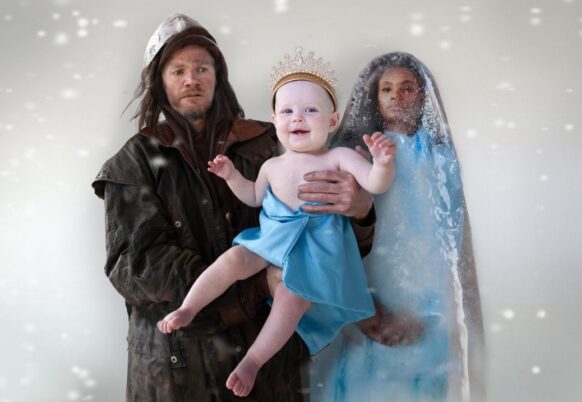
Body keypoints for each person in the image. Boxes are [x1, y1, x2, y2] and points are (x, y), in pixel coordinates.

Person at [92, 13, 375, 402]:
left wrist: (360, 210)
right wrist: (255, 287)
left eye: (201, 68)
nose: (191, 79)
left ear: (217, 76)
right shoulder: (134, 162)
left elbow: (329, 244)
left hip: (270, 373)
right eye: (177, 71)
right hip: (178, 372)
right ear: (159, 82)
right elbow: (135, 267)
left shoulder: (275, 142)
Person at [157, 48, 397, 397]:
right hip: (271, 239)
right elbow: (254, 197)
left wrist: (382, 164)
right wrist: (231, 176)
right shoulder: (271, 165)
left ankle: (253, 361)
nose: (297, 118)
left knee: (291, 299)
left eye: (310, 110)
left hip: (316, 252)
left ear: (332, 120)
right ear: (274, 119)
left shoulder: (339, 157)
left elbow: (375, 185)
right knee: (233, 259)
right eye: (287, 111)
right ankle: (189, 307)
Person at [310, 52, 486, 402]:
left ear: (422, 96)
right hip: (370, 301)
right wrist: (364, 311)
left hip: (429, 312)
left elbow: (450, 239)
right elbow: (332, 236)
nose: (396, 96)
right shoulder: (356, 157)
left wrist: (441, 310)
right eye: (387, 89)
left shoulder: (440, 159)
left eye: (407, 88)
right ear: (374, 97)